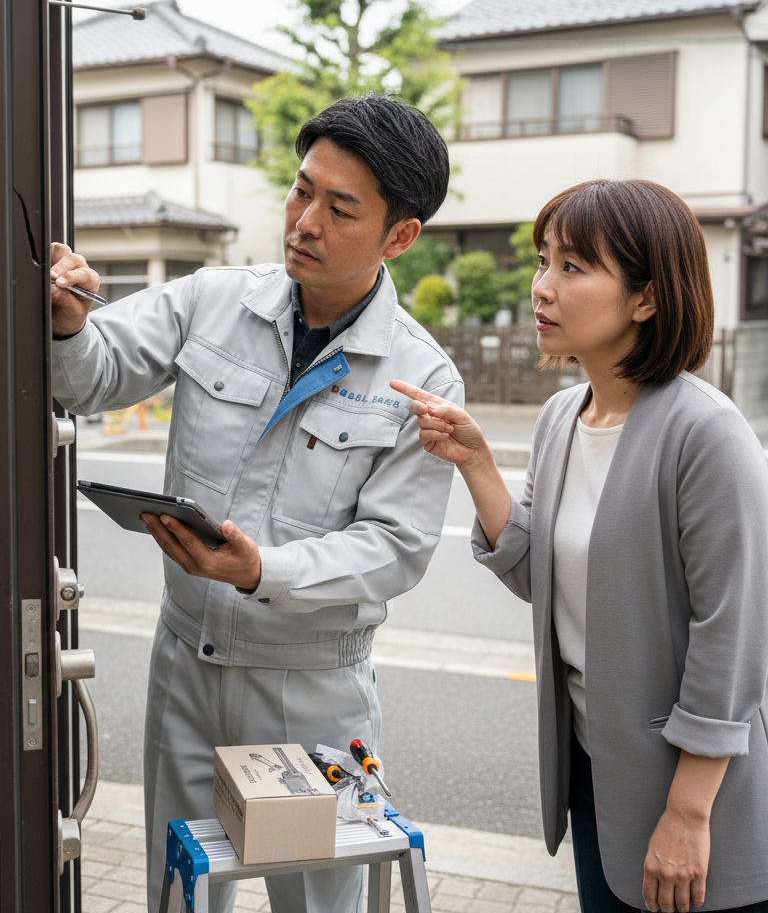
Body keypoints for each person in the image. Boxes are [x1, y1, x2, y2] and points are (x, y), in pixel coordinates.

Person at [50, 95, 464, 913]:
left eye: (339, 207)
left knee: (315, 903)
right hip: (187, 666)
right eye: (301, 190)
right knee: (181, 895)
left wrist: (260, 569)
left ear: (400, 236)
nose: (304, 220)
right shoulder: (212, 300)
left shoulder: (422, 376)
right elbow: (95, 375)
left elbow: (396, 547)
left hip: (309, 691)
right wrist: (68, 326)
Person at [393, 179, 768, 913]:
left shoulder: (706, 434)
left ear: (647, 298)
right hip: (598, 774)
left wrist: (689, 814)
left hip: (697, 796)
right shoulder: (565, 416)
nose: (542, 287)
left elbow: (735, 634)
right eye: (542, 261)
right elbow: (537, 572)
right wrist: (474, 463)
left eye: (572, 267)